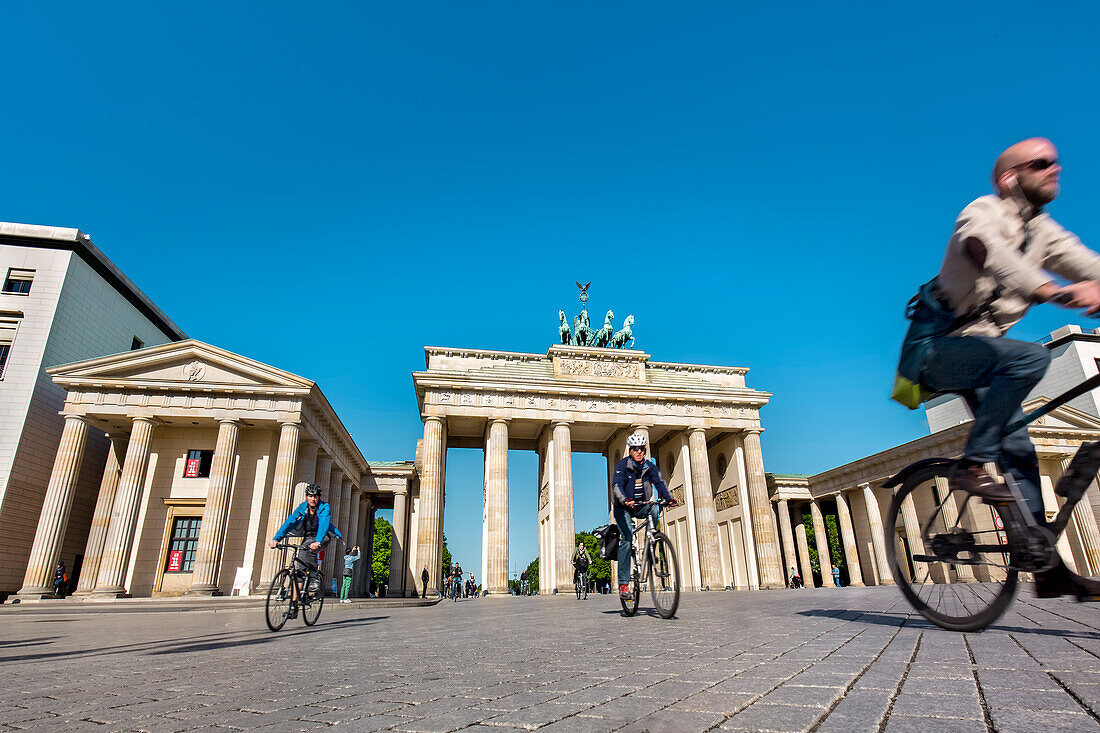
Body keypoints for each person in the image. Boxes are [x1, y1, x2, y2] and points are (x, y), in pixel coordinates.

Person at [912, 138, 1100, 600]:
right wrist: (1051, 290)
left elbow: (1087, 263)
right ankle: (971, 467)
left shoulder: (1044, 232)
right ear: (1009, 178)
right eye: (1041, 164)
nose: (1055, 169)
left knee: (1020, 452)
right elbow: (988, 250)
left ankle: (1045, 566)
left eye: (1057, 162)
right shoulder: (981, 212)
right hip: (940, 352)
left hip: (991, 359)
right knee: (1031, 356)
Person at [611, 432, 676, 600]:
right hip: (623, 507)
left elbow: (659, 482)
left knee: (654, 509)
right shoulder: (622, 465)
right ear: (630, 451)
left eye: (642, 449)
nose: (639, 452)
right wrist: (625, 499)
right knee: (626, 538)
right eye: (635, 449)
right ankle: (624, 583)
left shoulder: (649, 467)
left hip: (641, 505)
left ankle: (653, 539)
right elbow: (616, 485)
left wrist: (668, 498)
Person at [268, 483, 342, 618]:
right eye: (310, 496)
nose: (312, 499)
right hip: (308, 537)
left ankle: (314, 579)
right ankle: (294, 606)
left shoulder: (325, 507)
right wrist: (276, 539)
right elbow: (289, 522)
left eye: (315, 496)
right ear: (306, 497)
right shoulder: (302, 507)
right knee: (299, 573)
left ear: (319, 497)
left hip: (323, 536)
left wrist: (318, 541)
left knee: (312, 550)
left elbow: (324, 524)